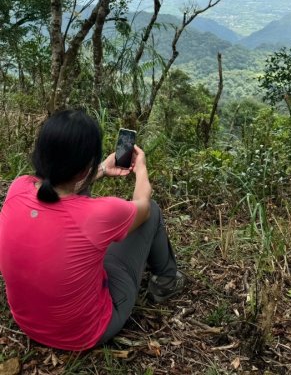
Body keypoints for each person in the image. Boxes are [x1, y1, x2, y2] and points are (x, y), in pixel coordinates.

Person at [0, 109, 184, 351]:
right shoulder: (100, 215)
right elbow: (144, 205)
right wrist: (141, 169)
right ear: (83, 167)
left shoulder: (18, 188)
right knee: (153, 211)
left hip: (28, 323)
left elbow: (59, 191)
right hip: (83, 333)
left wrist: (100, 170)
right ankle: (167, 282)